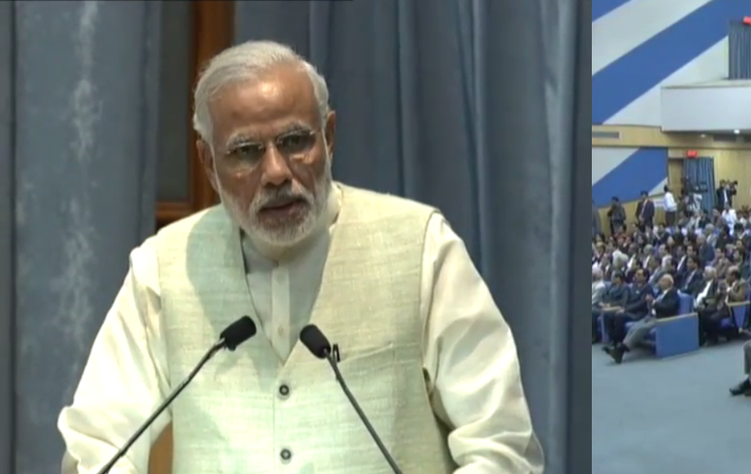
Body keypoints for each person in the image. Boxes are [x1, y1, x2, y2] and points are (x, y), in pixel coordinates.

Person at [58, 41, 544, 473]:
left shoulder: (423, 248)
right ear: (208, 163)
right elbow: (98, 447)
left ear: (328, 137)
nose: (275, 172)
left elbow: (501, 446)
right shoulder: (162, 270)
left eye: (295, 142)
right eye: (246, 151)